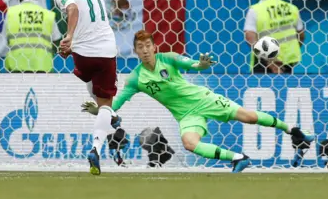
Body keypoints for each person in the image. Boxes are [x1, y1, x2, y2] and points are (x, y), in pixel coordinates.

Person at [81, 30, 315, 173]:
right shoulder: (135, 78)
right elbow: (116, 103)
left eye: (148, 46)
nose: (144, 51)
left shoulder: (169, 58)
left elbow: (192, 64)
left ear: (155, 47)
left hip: (204, 100)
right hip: (186, 115)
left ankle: (294, 131)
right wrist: (100, 110)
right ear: (135, 51)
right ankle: (238, 158)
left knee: (250, 117)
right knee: (190, 144)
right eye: (140, 48)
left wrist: (201, 65)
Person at [55, 0, 118, 175]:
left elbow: (72, 9)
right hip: (106, 50)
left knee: (93, 83)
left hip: (83, 55)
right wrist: (71, 39)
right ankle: (96, 148)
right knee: (105, 103)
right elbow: (82, 15)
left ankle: (112, 115)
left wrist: (69, 39)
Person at [244, 0, 304, 74]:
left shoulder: (255, 10)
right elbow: (301, 36)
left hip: (263, 63)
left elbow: (250, 39)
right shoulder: (292, 8)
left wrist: (270, 62)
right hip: (287, 62)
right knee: (286, 88)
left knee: (261, 88)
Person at [4, 0, 60, 73]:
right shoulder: (48, 15)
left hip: (16, 65)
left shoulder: (11, 13)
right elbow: (56, 40)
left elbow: (6, 38)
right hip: (42, 66)